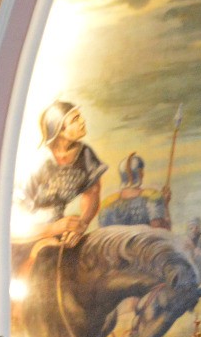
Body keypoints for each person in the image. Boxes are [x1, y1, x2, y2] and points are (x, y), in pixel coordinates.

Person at [19, 101, 107, 248]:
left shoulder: (85, 154)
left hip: (63, 230)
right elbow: (14, 221)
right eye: (75, 119)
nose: (82, 121)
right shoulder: (39, 162)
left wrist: (81, 224)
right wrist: (52, 229)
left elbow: (93, 192)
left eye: (80, 117)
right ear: (59, 130)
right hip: (30, 234)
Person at [96, 152, 170, 229]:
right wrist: (165, 205)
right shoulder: (153, 196)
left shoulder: (107, 203)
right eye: (141, 171)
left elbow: (102, 234)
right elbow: (161, 232)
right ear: (140, 173)